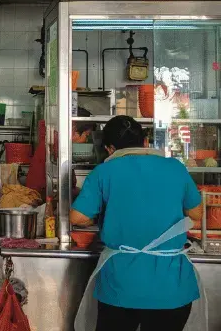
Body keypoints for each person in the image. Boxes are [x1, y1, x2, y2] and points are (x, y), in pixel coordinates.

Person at [70, 115, 203, 331]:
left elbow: (78, 217)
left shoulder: (104, 171)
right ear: (145, 142)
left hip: (122, 286)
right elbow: (196, 214)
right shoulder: (175, 167)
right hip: (170, 287)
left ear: (110, 148)